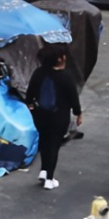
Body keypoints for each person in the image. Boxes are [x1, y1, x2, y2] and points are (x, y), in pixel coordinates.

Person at [26, 43, 83, 190]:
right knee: (54, 145)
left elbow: (30, 93)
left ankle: (44, 171)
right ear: (60, 59)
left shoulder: (38, 73)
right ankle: (49, 178)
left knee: (44, 142)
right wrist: (78, 113)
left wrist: (31, 106)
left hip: (40, 115)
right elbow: (73, 98)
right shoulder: (65, 77)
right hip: (59, 117)